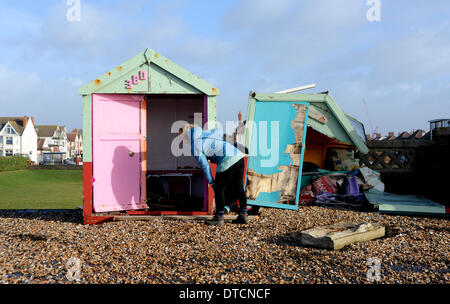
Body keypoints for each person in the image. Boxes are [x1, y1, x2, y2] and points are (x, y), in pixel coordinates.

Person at [181, 124, 248, 226]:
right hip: (239, 155)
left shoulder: (195, 145)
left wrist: (211, 181)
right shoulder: (209, 133)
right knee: (238, 187)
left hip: (227, 159)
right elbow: (220, 131)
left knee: (218, 189)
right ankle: (243, 215)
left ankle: (219, 217)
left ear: (187, 137)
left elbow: (205, 166)